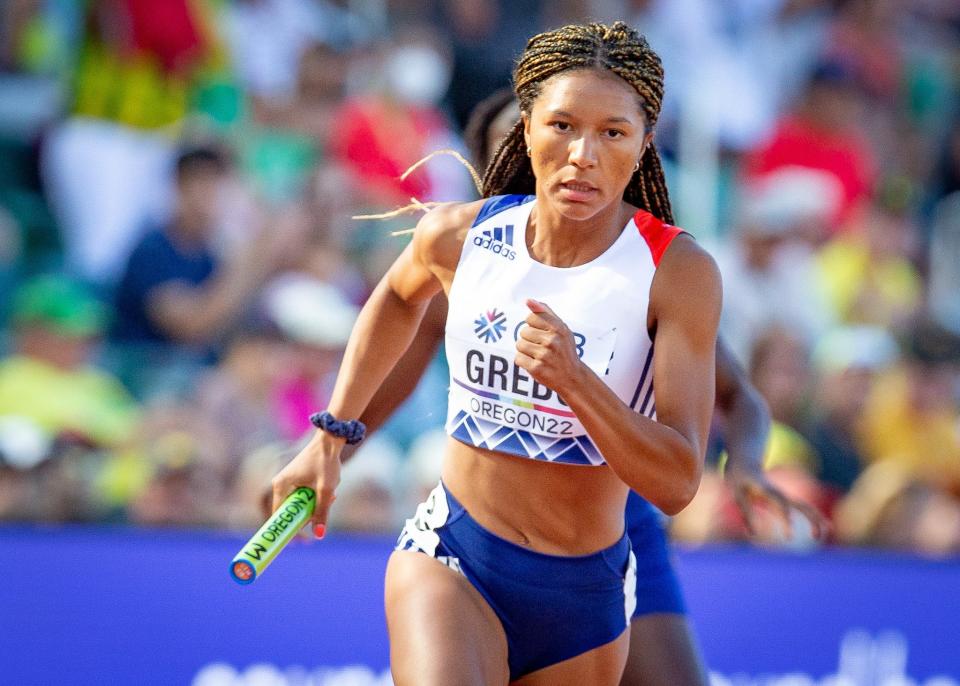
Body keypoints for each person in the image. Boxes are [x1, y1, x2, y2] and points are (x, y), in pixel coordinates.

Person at [272, 22, 754, 685]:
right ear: (526, 127)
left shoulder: (677, 272)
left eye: (612, 132)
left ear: (645, 143)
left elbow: (675, 484)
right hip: (454, 556)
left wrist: (576, 382)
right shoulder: (459, 237)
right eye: (561, 125)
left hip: (585, 598)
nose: (583, 153)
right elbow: (395, 301)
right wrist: (329, 436)